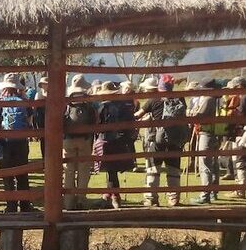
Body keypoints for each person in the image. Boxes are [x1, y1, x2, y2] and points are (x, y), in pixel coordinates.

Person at [144, 74, 187, 207]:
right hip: (175, 140)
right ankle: (173, 198)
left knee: (153, 169)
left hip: (157, 140)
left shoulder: (154, 100)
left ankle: (152, 198)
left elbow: (139, 114)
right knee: (173, 169)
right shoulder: (180, 98)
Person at [96, 81, 136, 209]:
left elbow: (98, 125)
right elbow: (131, 122)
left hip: (107, 140)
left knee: (110, 169)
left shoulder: (102, 107)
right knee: (112, 169)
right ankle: (108, 196)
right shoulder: (124, 106)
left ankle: (115, 197)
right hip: (121, 141)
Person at [0, 73, 32, 213]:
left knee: (7, 175)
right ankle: (25, 205)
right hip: (21, 142)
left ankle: (11, 206)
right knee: (22, 175)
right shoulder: (24, 102)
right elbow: (29, 121)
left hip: (3, 142)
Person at [63, 75, 95, 210]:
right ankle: (81, 200)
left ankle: (68, 202)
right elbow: (94, 121)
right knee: (83, 170)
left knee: (68, 170)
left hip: (68, 140)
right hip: (85, 140)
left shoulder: (67, 104)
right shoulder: (88, 104)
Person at [189, 79, 223, 204]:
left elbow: (199, 116)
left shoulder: (208, 99)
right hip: (216, 134)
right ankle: (213, 192)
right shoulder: (218, 99)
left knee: (205, 164)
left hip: (207, 134)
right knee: (213, 164)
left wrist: (191, 112)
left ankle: (205, 195)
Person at [33, 76, 48, 158]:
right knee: (43, 139)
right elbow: (34, 109)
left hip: (50, 119)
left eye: (46, 84)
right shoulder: (38, 95)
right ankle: (44, 157)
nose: (44, 85)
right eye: (43, 84)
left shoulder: (52, 95)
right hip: (40, 119)